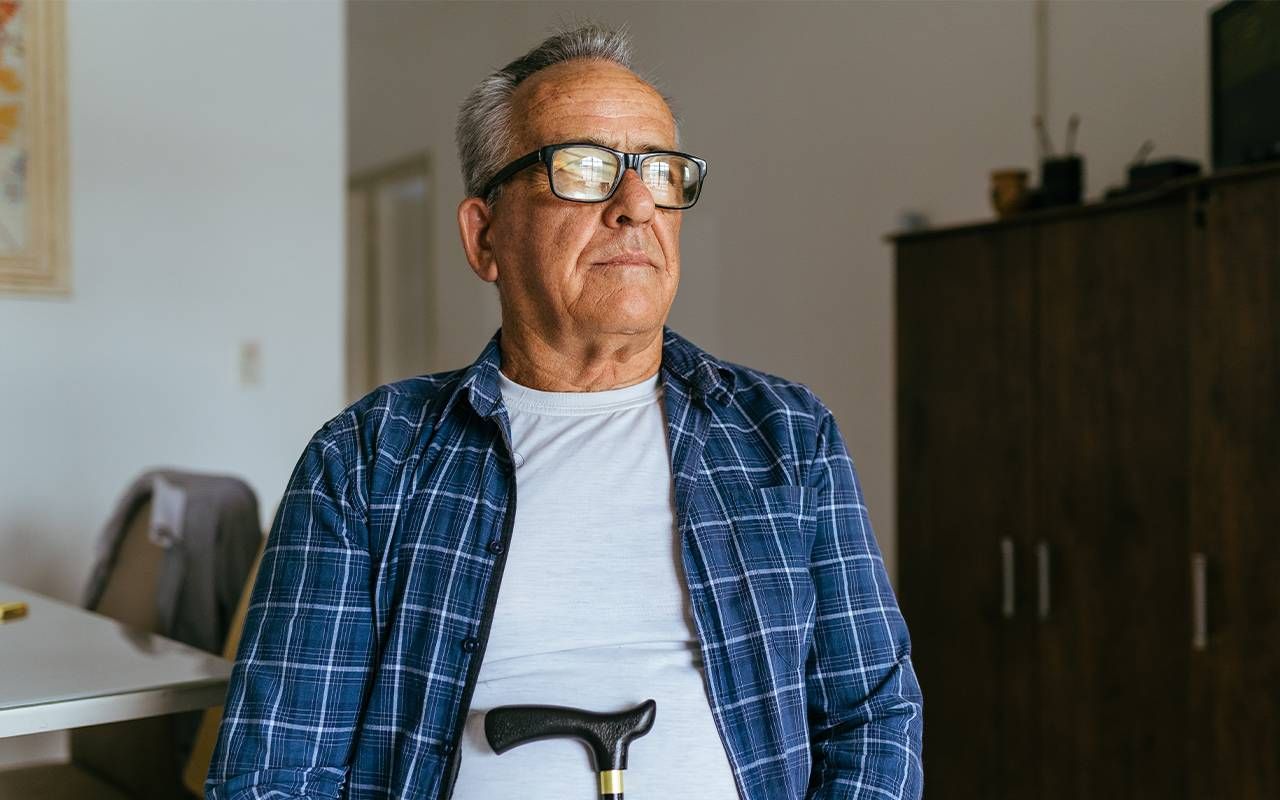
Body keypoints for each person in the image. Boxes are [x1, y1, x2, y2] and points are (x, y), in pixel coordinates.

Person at [206, 24, 922, 800]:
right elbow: (273, 772)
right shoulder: (368, 460)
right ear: (485, 237)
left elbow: (874, 718)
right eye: (583, 168)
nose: (637, 203)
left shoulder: (787, 436)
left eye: (660, 171)